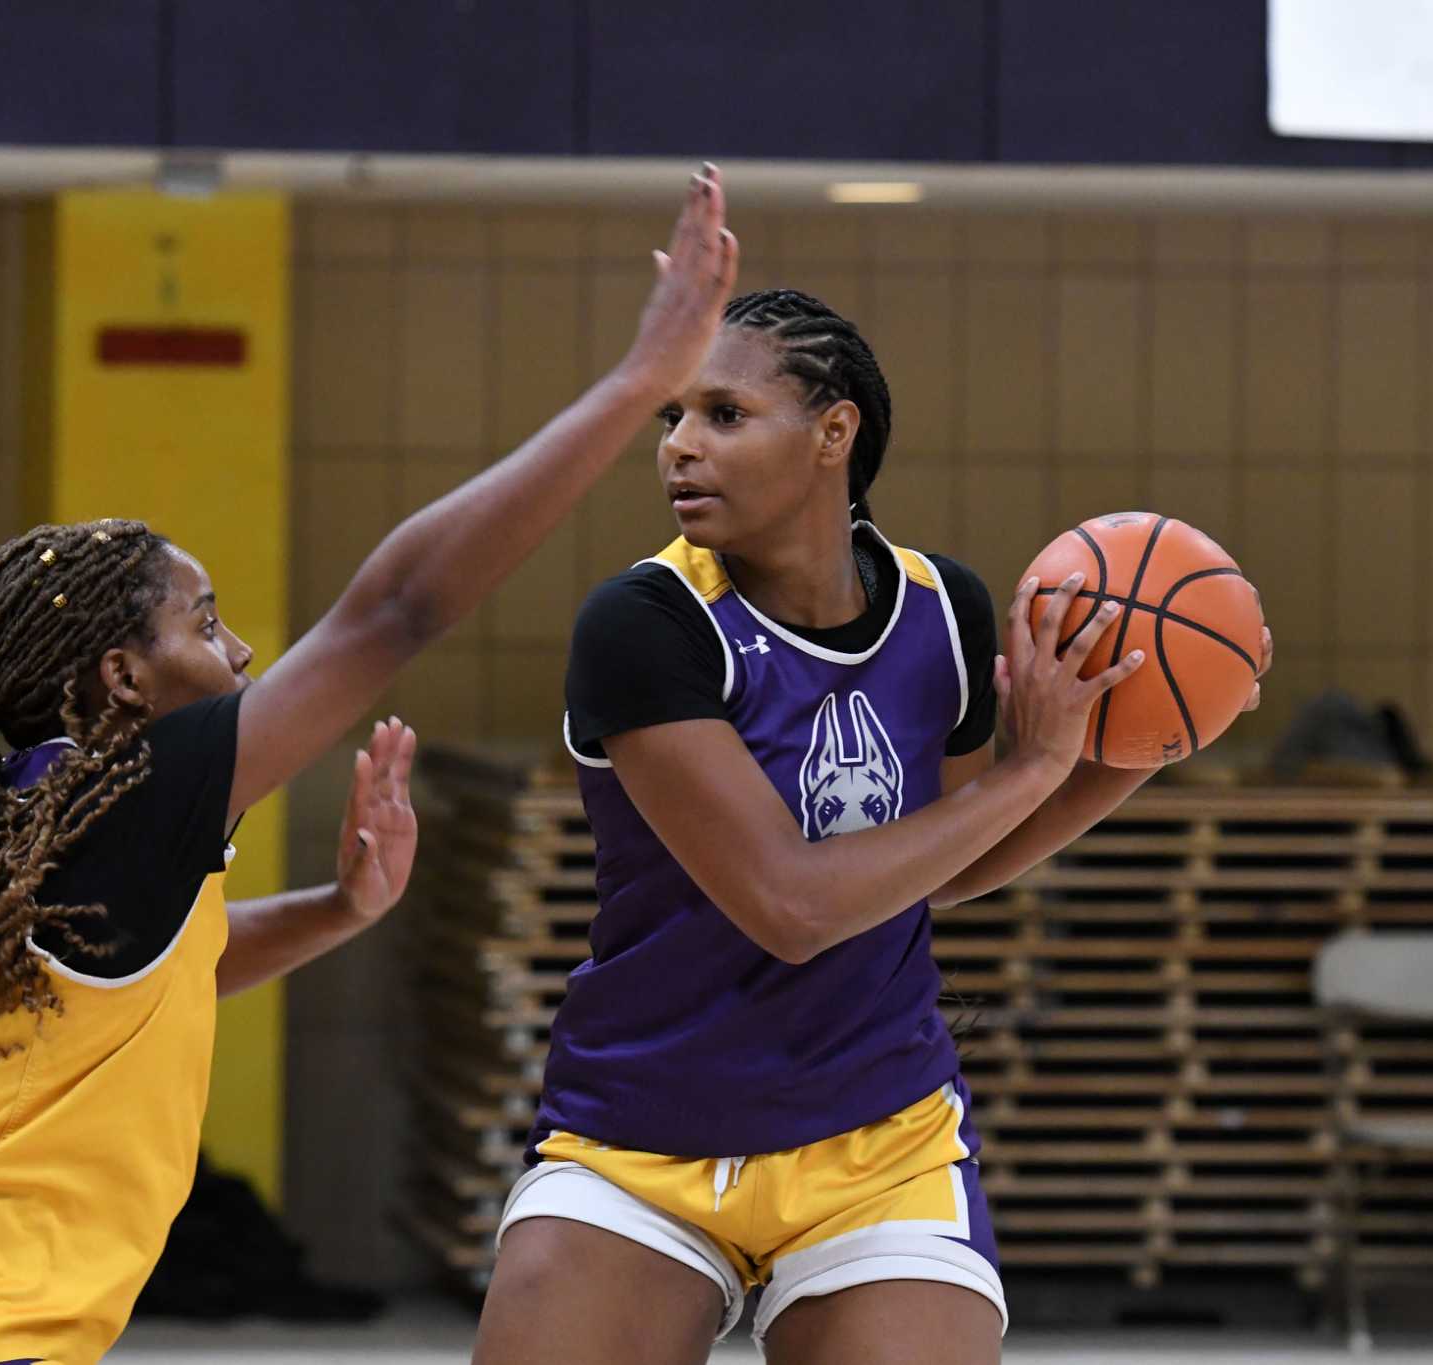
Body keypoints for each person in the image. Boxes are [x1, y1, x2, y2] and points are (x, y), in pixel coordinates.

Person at [0, 165, 742, 1365]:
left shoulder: (35, 824)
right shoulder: (123, 798)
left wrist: (336, 909)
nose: (244, 649)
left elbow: (149, 990)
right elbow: (397, 610)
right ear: (122, 678)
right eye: (204, 623)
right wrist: (639, 382)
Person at [472, 289, 1275, 1365]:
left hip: (876, 1140)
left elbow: (946, 863)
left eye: (721, 414)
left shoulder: (945, 610)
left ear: (832, 432)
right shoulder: (645, 625)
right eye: (672, 418)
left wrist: (1138, 741)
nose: (678, 448)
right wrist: (1039, 763)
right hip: (638, 1136)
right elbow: (790, 905)